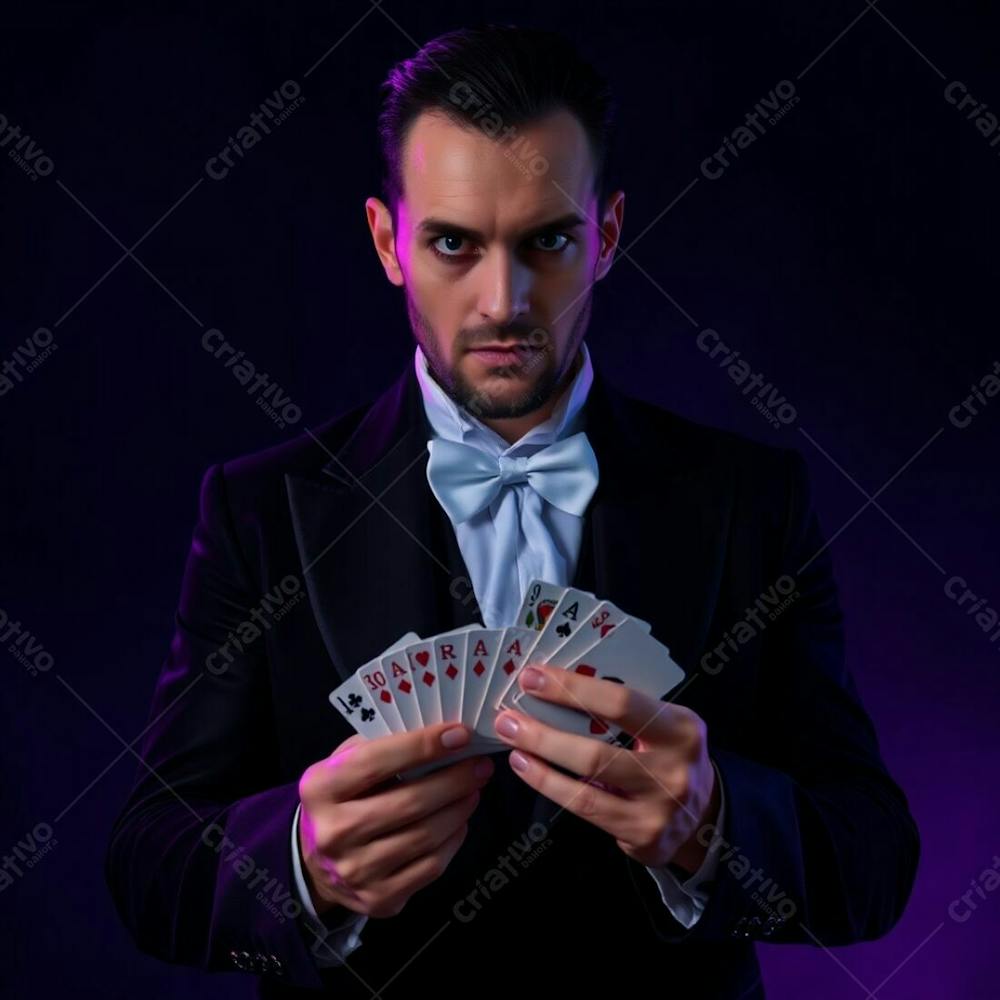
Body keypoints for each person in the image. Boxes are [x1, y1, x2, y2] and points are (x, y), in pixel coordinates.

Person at [106, 24, 919, 998]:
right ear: (387, 242)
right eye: (454, 242)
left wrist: (717, 830)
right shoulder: (259, 509)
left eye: (548, 240)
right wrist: (293, 863)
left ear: (605, 235)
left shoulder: (748, 498)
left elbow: (872, 860)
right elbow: (147, 860)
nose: (504, 299)